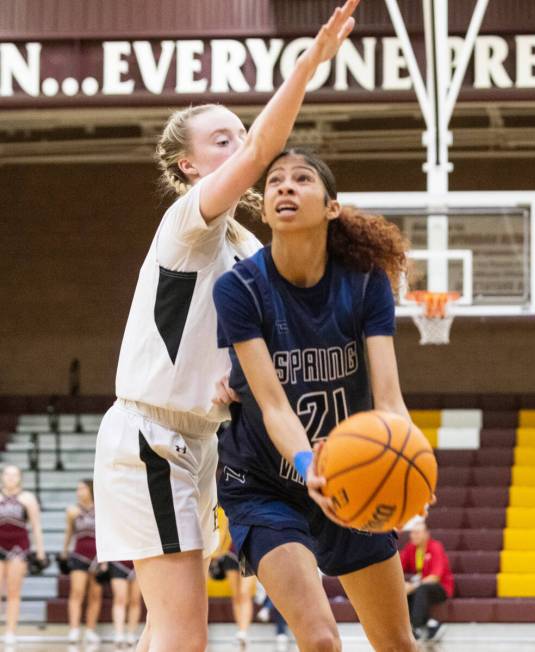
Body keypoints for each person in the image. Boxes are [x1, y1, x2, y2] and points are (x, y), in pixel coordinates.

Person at [93, 3, 360, 651]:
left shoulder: (245, 247)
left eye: (240, 134)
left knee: (169, 630)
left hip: (202, 444)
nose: (241, 146)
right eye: (223, 140)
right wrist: (309, 63)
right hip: (153, 437)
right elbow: (269, 147)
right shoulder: (189, 222)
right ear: (188, 167)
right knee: (184, 637)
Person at [213, 149, 418, 652]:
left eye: (301, 179)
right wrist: (310, 466)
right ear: (262, 210)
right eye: (275, 182)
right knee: (322, 639)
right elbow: (273, 405)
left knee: (398, 644)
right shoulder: (239, 289)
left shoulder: (367, 282)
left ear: (331, 207)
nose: (285, 187)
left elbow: (388, 398)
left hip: (349, 475)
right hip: (264, 484)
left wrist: (414, 459)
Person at [0, 465, 46, 646]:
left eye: (14, 475)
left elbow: (36, 526)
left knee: (13, 592)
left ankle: (10, 631)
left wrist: (40, 552)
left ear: (20, 478)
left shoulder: (27, 498)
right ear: (2, 477)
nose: (10, 478)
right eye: (7, 474)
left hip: (18, 547)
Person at [60, 479, 101, 645]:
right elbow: (69, 532)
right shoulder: (72, 510)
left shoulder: (102, 509)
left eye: (82, 488)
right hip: (79, 554)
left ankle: (90, 630)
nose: (79, 492)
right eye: (77, 489)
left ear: (90, 489)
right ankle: (74, 629)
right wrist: (64, 551)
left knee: (95, 594)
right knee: (77, 592)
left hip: (98, 556)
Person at [400, 519, 454, 641]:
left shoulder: (435, 547)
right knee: (405, 592)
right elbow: (398, 567)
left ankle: (417, 626)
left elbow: (435, 577)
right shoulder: (410, 548)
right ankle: (429, 623)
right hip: (422, 585)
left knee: (420, 589)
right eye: (412, 532)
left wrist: (412, 586)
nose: (413, 535)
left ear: (426, 534)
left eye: (417, 533)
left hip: (440, 587)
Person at [212, 507, 256, 648]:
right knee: (236, 595)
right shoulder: (226, 505)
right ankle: (240, 631)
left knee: (244, 593)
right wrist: (217, 552)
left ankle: (244, 632)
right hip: (229, 552)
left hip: (247, 551)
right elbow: (221, 530)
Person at [108, 560, 143, 648]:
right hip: (119, 562)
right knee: (120, 599)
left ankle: (131, 634)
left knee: (135, 600)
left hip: (138, 562)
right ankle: (119, 634)